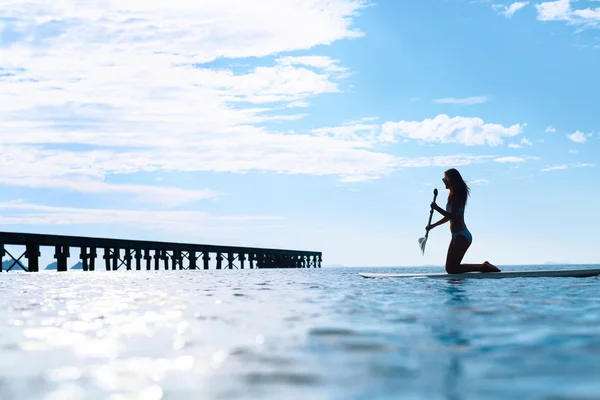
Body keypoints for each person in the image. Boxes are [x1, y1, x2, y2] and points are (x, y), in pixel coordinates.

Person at [426, 168, 501, 274]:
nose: (444, 181)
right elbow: (448, 217)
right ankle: (483, 266)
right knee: (452, 268)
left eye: (445, 179)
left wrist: (436, 208)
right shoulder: (452, 195)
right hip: (459, 235)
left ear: (450, 179)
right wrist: (433, 225)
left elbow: (454, 217)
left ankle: (483, 267)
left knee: (451, 269)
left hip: (461, 235)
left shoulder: (457, 196)